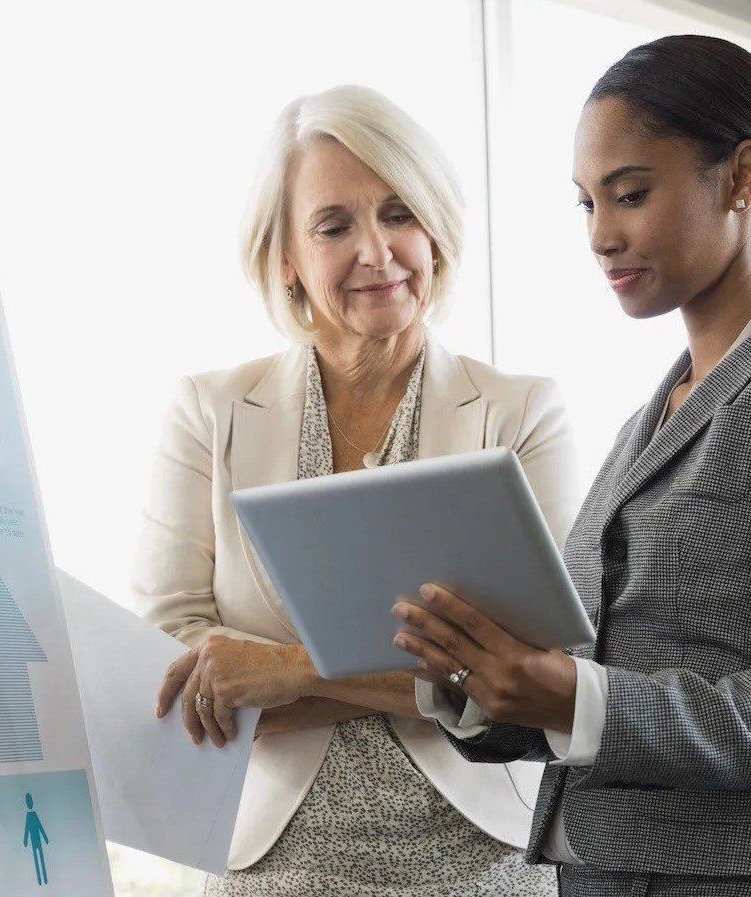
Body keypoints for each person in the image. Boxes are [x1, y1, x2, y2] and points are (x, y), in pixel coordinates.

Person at [393, 35, 751, 897]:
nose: (603, 236)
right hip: (608, 874)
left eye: (631, 195)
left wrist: (581, 698)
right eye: (584, 205)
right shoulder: (647, 422)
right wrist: (477, 673)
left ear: (741, 178)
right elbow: (594, 678)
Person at [136, 86, 574, 896]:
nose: (376, 251)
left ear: (435, 229)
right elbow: (171, 662)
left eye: (399, 213)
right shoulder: (210, 410)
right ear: (286, 259)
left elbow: (542, 669)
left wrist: (290, 670)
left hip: (479, 858)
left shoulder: (521, 412)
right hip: (270, 860)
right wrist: (439, 682)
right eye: (333, 225)